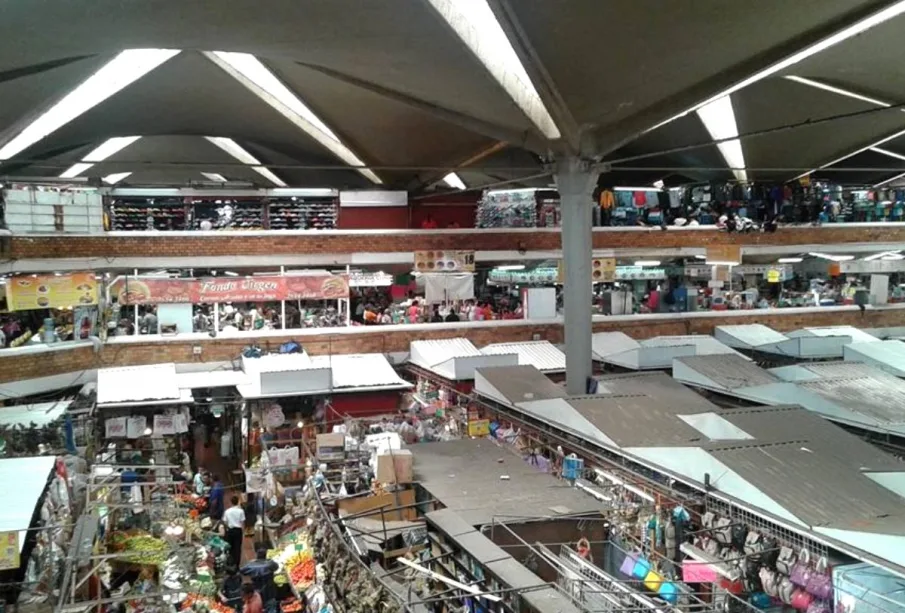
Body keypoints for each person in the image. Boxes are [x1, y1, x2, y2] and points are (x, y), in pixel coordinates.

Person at [223, 495, 246, 568]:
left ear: (231, 502)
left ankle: (231, 562)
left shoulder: (227, 511)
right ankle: (237, 564)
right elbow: (242, 523)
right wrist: (243, 531)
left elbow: (225, 522)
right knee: (237, 548)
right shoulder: (241, 511)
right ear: (238, 502)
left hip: (230, 531)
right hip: (238, 531)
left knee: (230, 547)